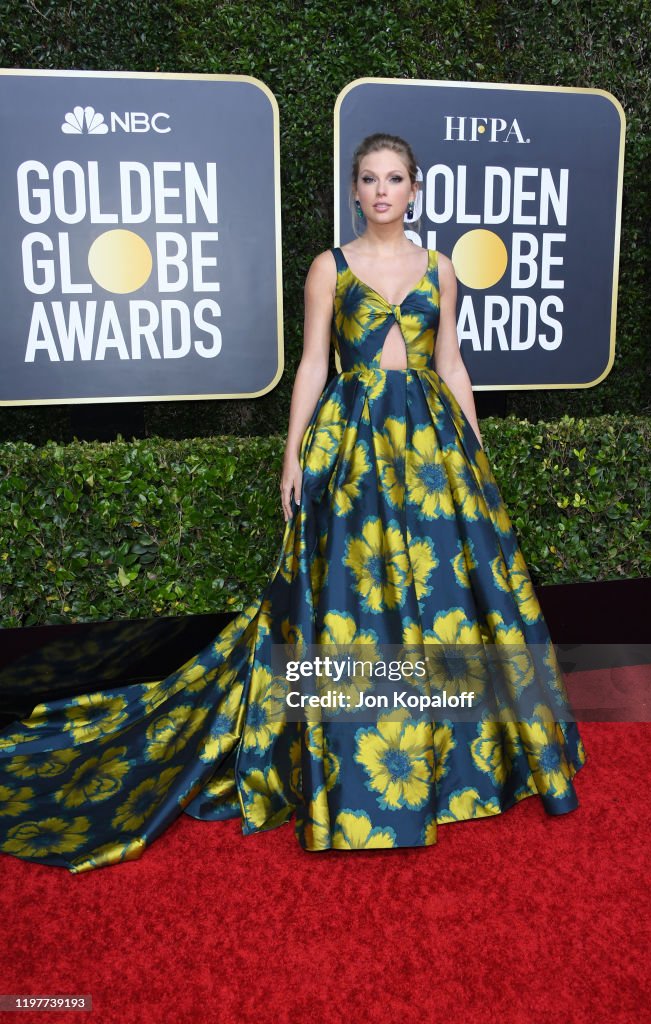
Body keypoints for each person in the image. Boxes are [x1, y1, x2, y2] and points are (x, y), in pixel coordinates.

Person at [0, 132, 586, 872]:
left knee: (447, 595)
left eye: (394, 179)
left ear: (414, 189)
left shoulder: (440, 267)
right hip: (355, 443)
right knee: (354, 598)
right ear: (354, 190)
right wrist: (292, 455)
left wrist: (474, 451)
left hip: (434, 451)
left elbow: (451, 362)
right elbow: (313, 364)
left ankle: (458, 763)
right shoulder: (329, 269)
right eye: (369, 179)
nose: (381, 191)